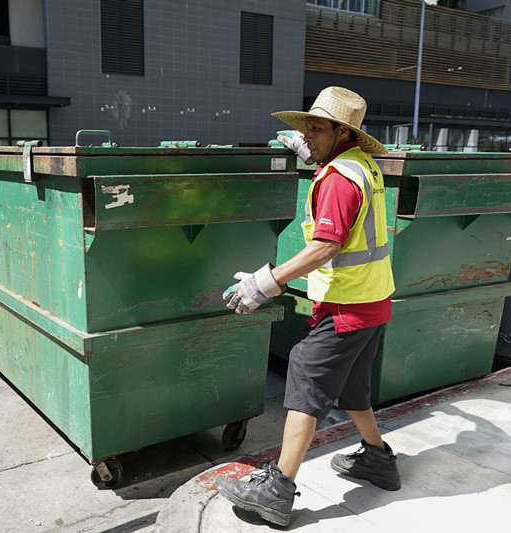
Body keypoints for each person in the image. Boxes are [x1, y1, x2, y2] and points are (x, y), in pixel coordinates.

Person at [216, 86, 400, 527]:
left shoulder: (337, 178)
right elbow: (345, 196)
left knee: (304, 371)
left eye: (316, 129)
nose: (307, 135)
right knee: (353, 388)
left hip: (346, 304)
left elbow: (325, 246)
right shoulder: (362, 165)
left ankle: (277, 490)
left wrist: (267, 281)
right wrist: (311, 151)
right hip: (373, 302)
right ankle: (378, 459)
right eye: (305, 128)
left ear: (341, 132)